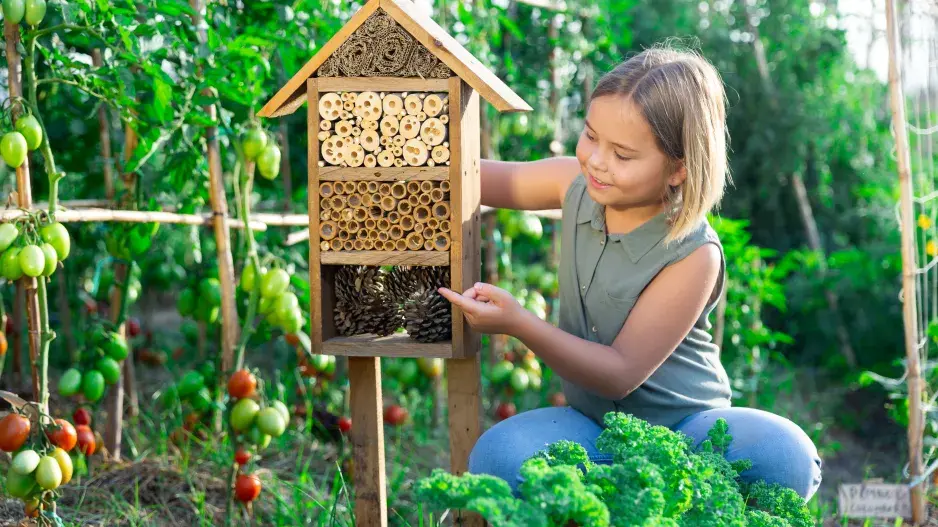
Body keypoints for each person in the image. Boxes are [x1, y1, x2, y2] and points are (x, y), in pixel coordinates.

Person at [437, 44, 822, 502]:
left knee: (785, 455)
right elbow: (467, 176)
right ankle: (631, 496)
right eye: (590, 135)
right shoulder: (572, 185)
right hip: (593, 427)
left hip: (686, 432)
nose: (597, 160)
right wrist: (401, 146)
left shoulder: (693, 253)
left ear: (679, 168)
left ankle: (650, 491)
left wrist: (520, 324)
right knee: (498, 458)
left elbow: (619, 374)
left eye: (622, 153)